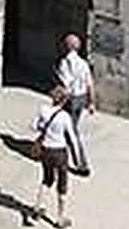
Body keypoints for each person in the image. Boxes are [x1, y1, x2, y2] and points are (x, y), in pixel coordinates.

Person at [31, 85, 77, 228]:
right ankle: (60, 218)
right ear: (63, 101)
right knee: (62, 184)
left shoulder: (43, 110)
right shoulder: (64, 117)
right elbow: (72, 138)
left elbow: (34, 126)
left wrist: (44, 128)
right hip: (60, 152)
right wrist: (77, 158)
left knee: (47, 178)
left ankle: (37, 207)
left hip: (46, 150)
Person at [55, 33, 95, 175]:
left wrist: (58, 103)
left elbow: (65, 86)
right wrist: (91, 103)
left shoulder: (65, 63)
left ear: (67, 46)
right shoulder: (83, 63)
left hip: (71, 100)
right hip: (82, 98)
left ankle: (81, 165)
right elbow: (90, 84)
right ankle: (61, 157)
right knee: (70, 128)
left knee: (71, 132)